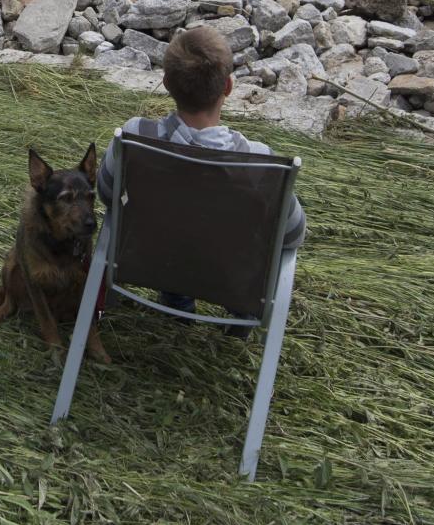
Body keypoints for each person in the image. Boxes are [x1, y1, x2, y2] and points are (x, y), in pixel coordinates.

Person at [95, 26, 307, 317]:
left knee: (175, 236)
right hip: (230, 277)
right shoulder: (259, 162)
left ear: (166, 83)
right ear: (229, 87)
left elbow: (106, 193)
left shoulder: (134, 135)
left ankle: (175, 303)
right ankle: (240, 318)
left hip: (155, 263)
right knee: (235, 250)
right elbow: (293, 233)